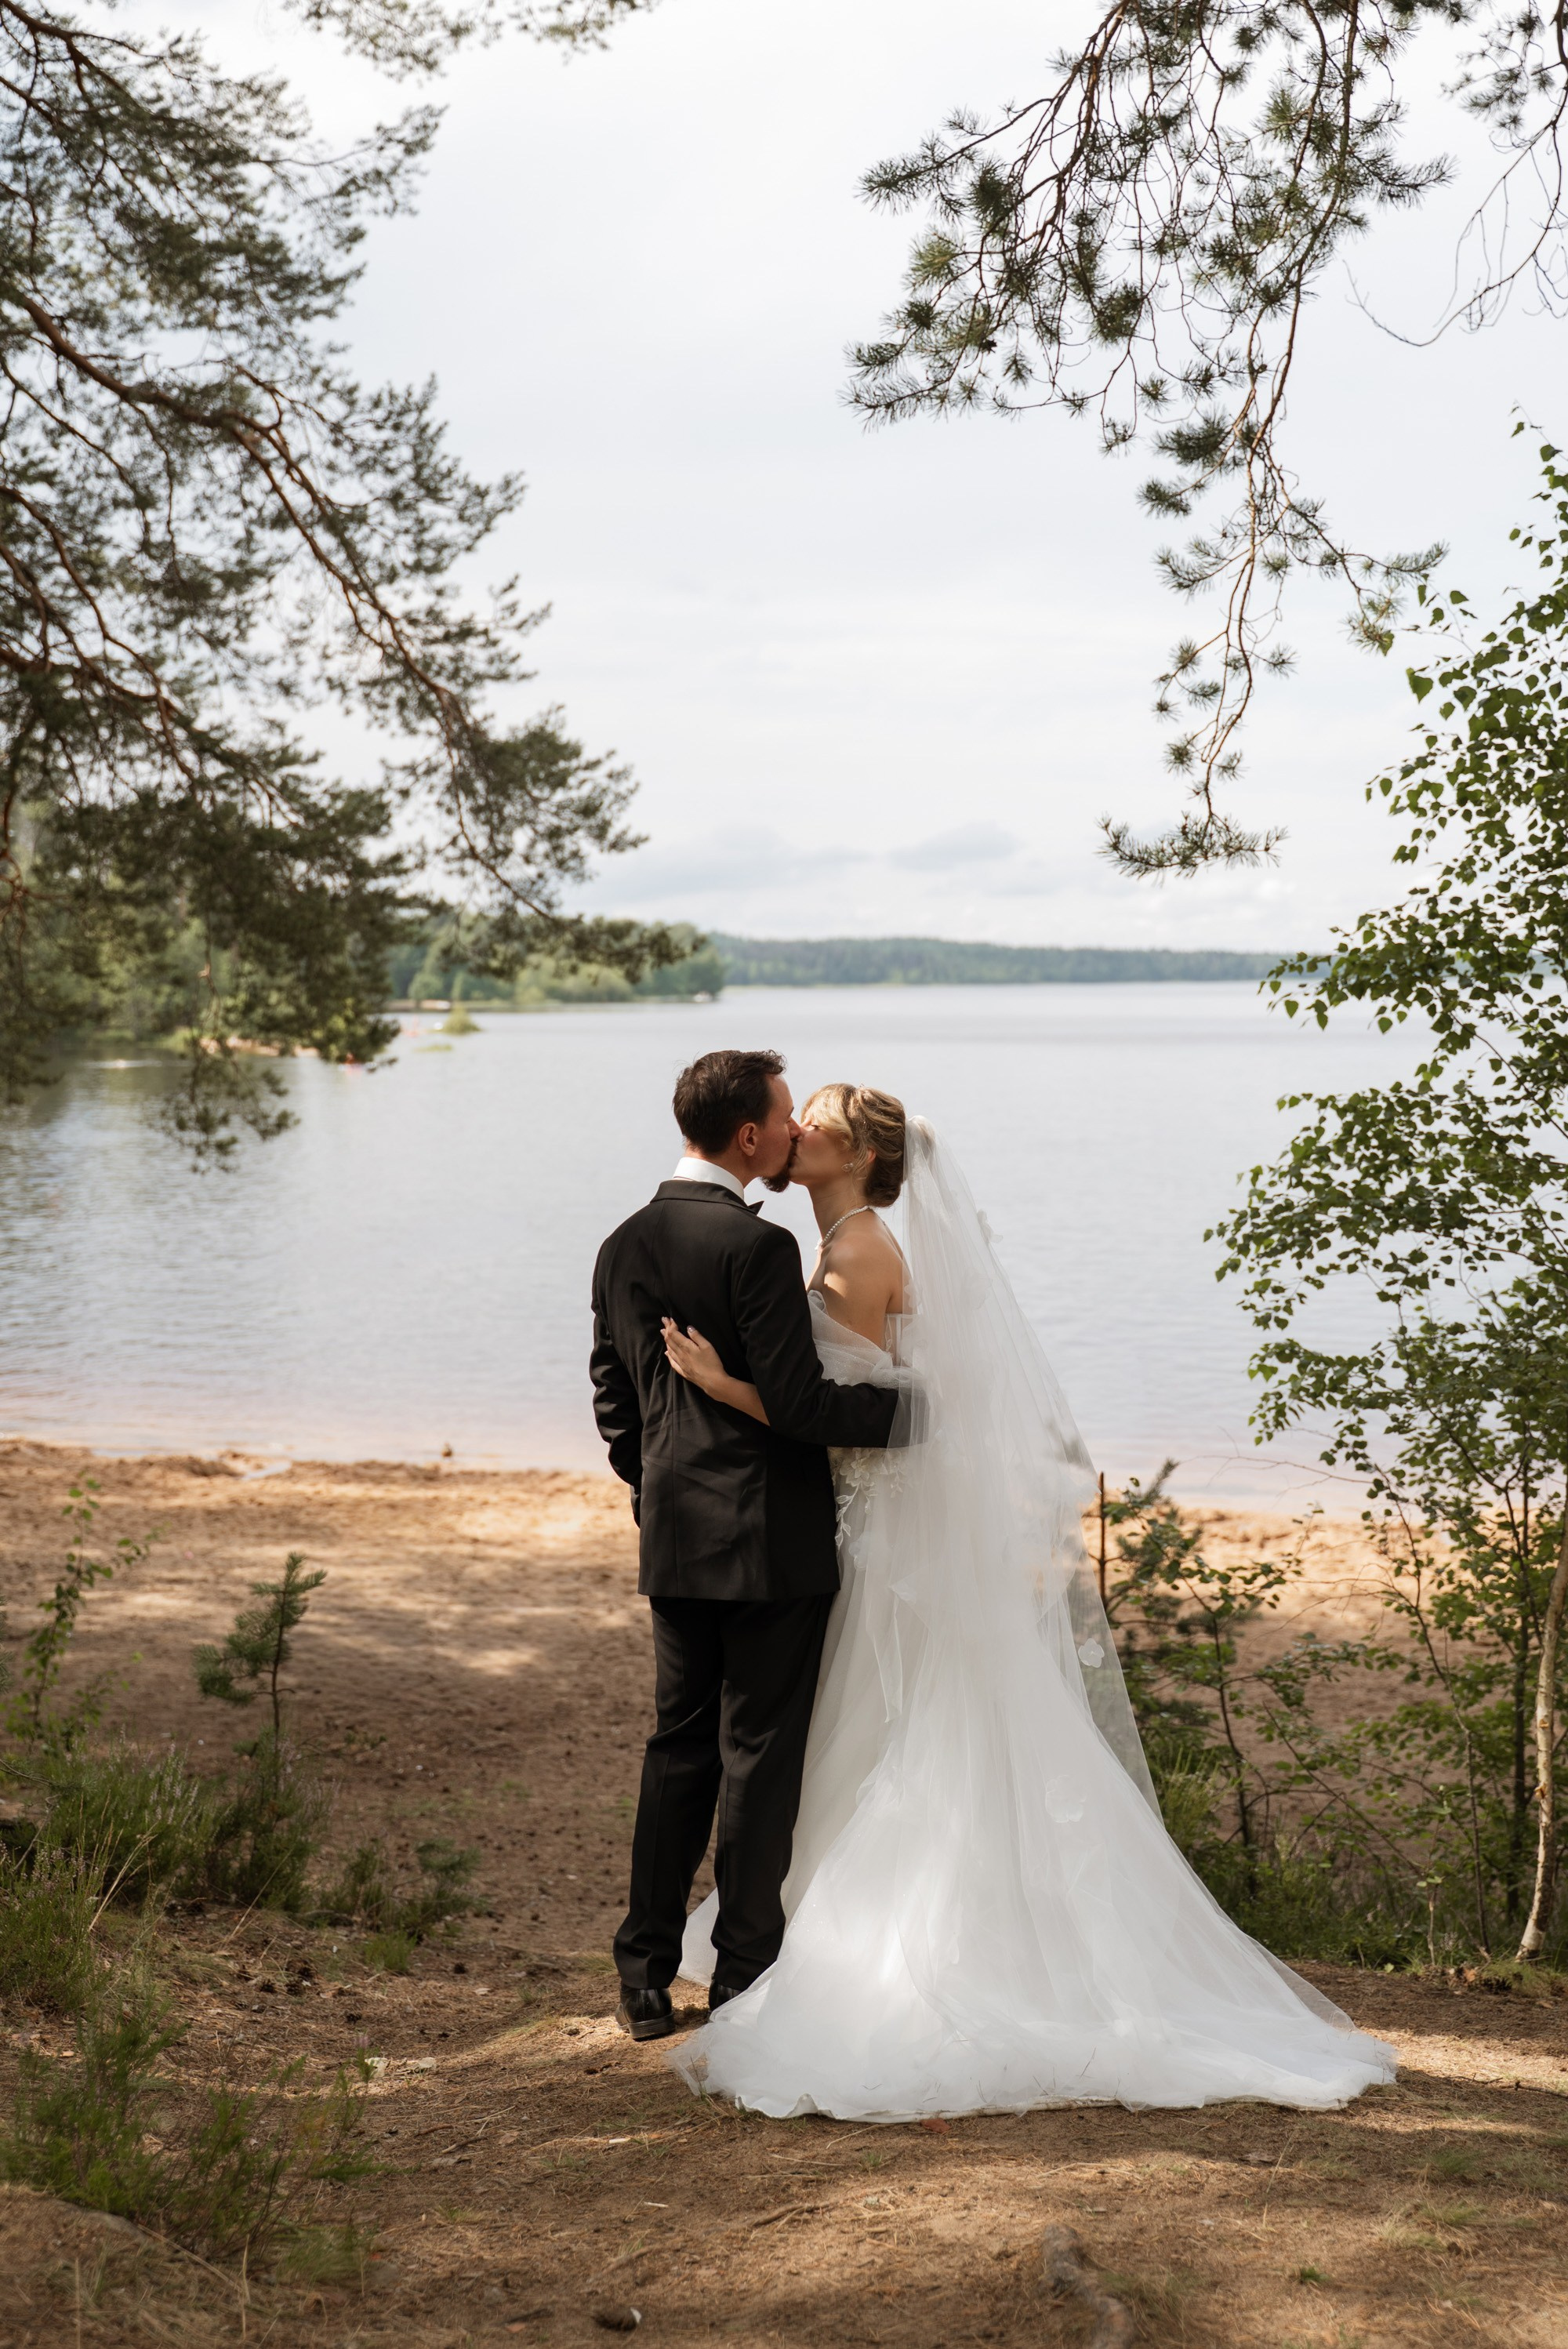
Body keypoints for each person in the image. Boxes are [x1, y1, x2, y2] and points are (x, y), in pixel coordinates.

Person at [659, 1088, 1399, 2120]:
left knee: (900, 1723)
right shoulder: (846, 1242)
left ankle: (903, 1956)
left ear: (860, 1153)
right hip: (877, 1519)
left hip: (878, 1527)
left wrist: (716, 1384)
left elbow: (819, 1410)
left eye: (817, 1122)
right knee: (890, 1725)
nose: (799, 1133)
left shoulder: (854, 1256)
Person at [590, 1049, 902, 2042]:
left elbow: (614, 1401)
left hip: (676, 1540)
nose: (790, 1131)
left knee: (676, 1749)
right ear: (750, 1137)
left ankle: (642, 1977)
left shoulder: (620, 1242)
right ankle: (740, 1979)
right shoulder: (757, 1249)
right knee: (758, 1760)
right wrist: (927, 1419)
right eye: (781, 1114)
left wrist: (658, 1493)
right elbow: (805, 1406)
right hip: (773, 1542)